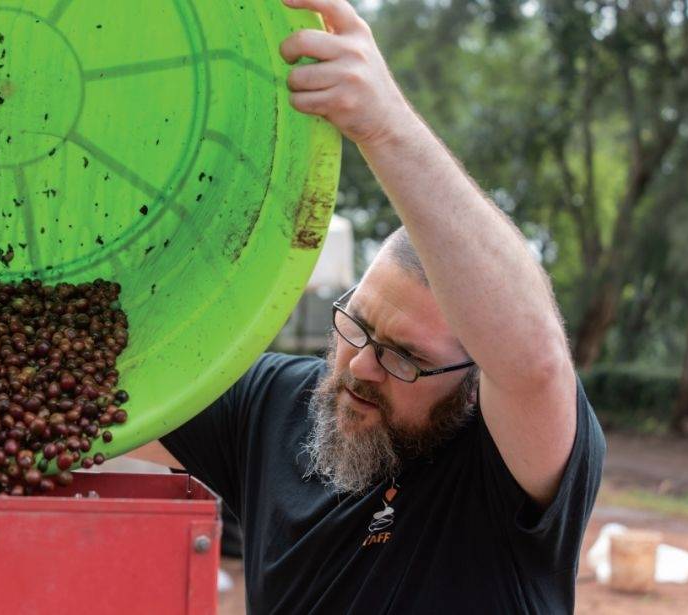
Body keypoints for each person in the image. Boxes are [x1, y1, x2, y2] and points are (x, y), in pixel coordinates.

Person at [135, 0, 605, 612]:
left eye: (403, 357)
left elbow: (535, 361)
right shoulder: (273, 408)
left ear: (474, 383)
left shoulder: (504, 474)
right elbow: (108, 389)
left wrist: (384, 126)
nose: (360, 366)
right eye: (357, 326)